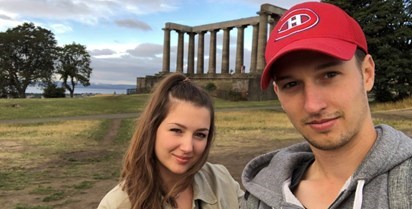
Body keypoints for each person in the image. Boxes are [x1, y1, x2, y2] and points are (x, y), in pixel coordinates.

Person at [241, 2, 412, 209]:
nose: (313, 105)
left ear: (367, 73)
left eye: (330, 75)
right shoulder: (258, 197)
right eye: (291, 84)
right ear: (278, 94)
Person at [98, 73, 243, 209]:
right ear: (152, 128)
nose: (187, 147)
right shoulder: (116, 204)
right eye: (176, 130)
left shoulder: (222, 180)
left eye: (200, 134)